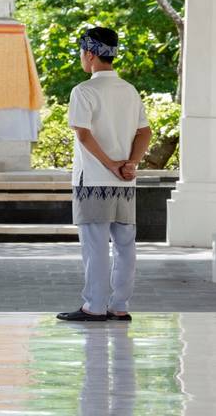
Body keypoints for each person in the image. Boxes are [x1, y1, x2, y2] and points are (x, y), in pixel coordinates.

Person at [56, 25, 151, 324]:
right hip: (125, 182)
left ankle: (94, 306)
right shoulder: (129, 90)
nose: (81, 58)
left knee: (95, 247)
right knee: (125, 246)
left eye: (82, 53)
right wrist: (130, 163)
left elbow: (83, 135)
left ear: (91, 54)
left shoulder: (83, 91)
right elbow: (144, 132)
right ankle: (119, 306)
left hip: (94, 180)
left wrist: (110, 164)